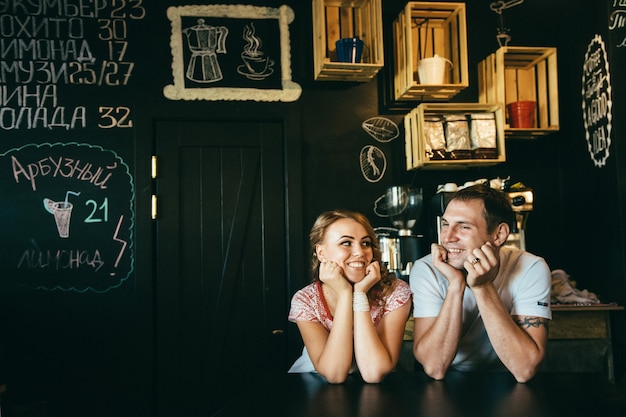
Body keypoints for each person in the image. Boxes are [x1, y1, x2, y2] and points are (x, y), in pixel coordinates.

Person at [409, 184, 551, 383]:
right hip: (448, 379)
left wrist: (482, 287)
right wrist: (456, 285)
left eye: (464, 226)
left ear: (499, 234)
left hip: (507, 377)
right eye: (445, 224)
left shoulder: (530, 268)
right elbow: (435, 367)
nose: (448, 237)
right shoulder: (427, 269)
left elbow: (524, 369)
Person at [288, 209, 412, 383]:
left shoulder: (395, 292)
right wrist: (346, 293)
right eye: (346, 243)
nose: (360, 252)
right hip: (313, 383)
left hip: (377, 391)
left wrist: (359, 294)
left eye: (366, 243)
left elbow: (374, 373)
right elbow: (334, 374)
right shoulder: (306, 300)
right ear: (321, 253)